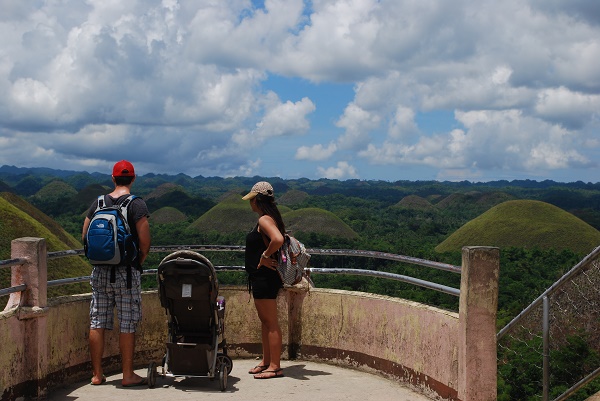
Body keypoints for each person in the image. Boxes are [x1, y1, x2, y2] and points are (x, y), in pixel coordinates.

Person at [81, 160, 151, 387]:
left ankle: (97, 374)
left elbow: (85, 237)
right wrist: (135, 262)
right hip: (126, 274)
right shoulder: (136, 204)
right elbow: (145, 243)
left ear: (112, 178)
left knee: (97, 321)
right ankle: (128, 375)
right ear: (133, 178)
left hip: (99, 272)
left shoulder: (98, 202)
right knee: (127, 323)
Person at [242, 181, 286, 379]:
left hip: (264, 279)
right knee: (265, 322)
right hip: (262, 278)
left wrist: (265, 256)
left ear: (258, 200)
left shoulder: (264, 220)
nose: (250, 203)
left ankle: (275, 366)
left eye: (252, 199)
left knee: (271, 323)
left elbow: (278, 239)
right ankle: (266, 361)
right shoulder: (269, 217)